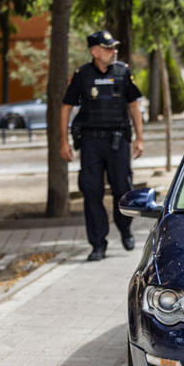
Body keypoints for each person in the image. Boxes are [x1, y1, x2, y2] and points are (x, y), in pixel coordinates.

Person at [59, 30, 144, 261]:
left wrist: (139, 137)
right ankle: (98, 244)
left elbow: (134, 105)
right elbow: (66, 107)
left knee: (122, 189)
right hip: (90, 142)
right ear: (95, 52)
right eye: (108, 48)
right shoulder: (82, 75)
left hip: (118, 140)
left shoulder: (122, 72)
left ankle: (125, 229)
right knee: (92, 192)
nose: (114, 51)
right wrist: (63, 141)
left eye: (115, 48)